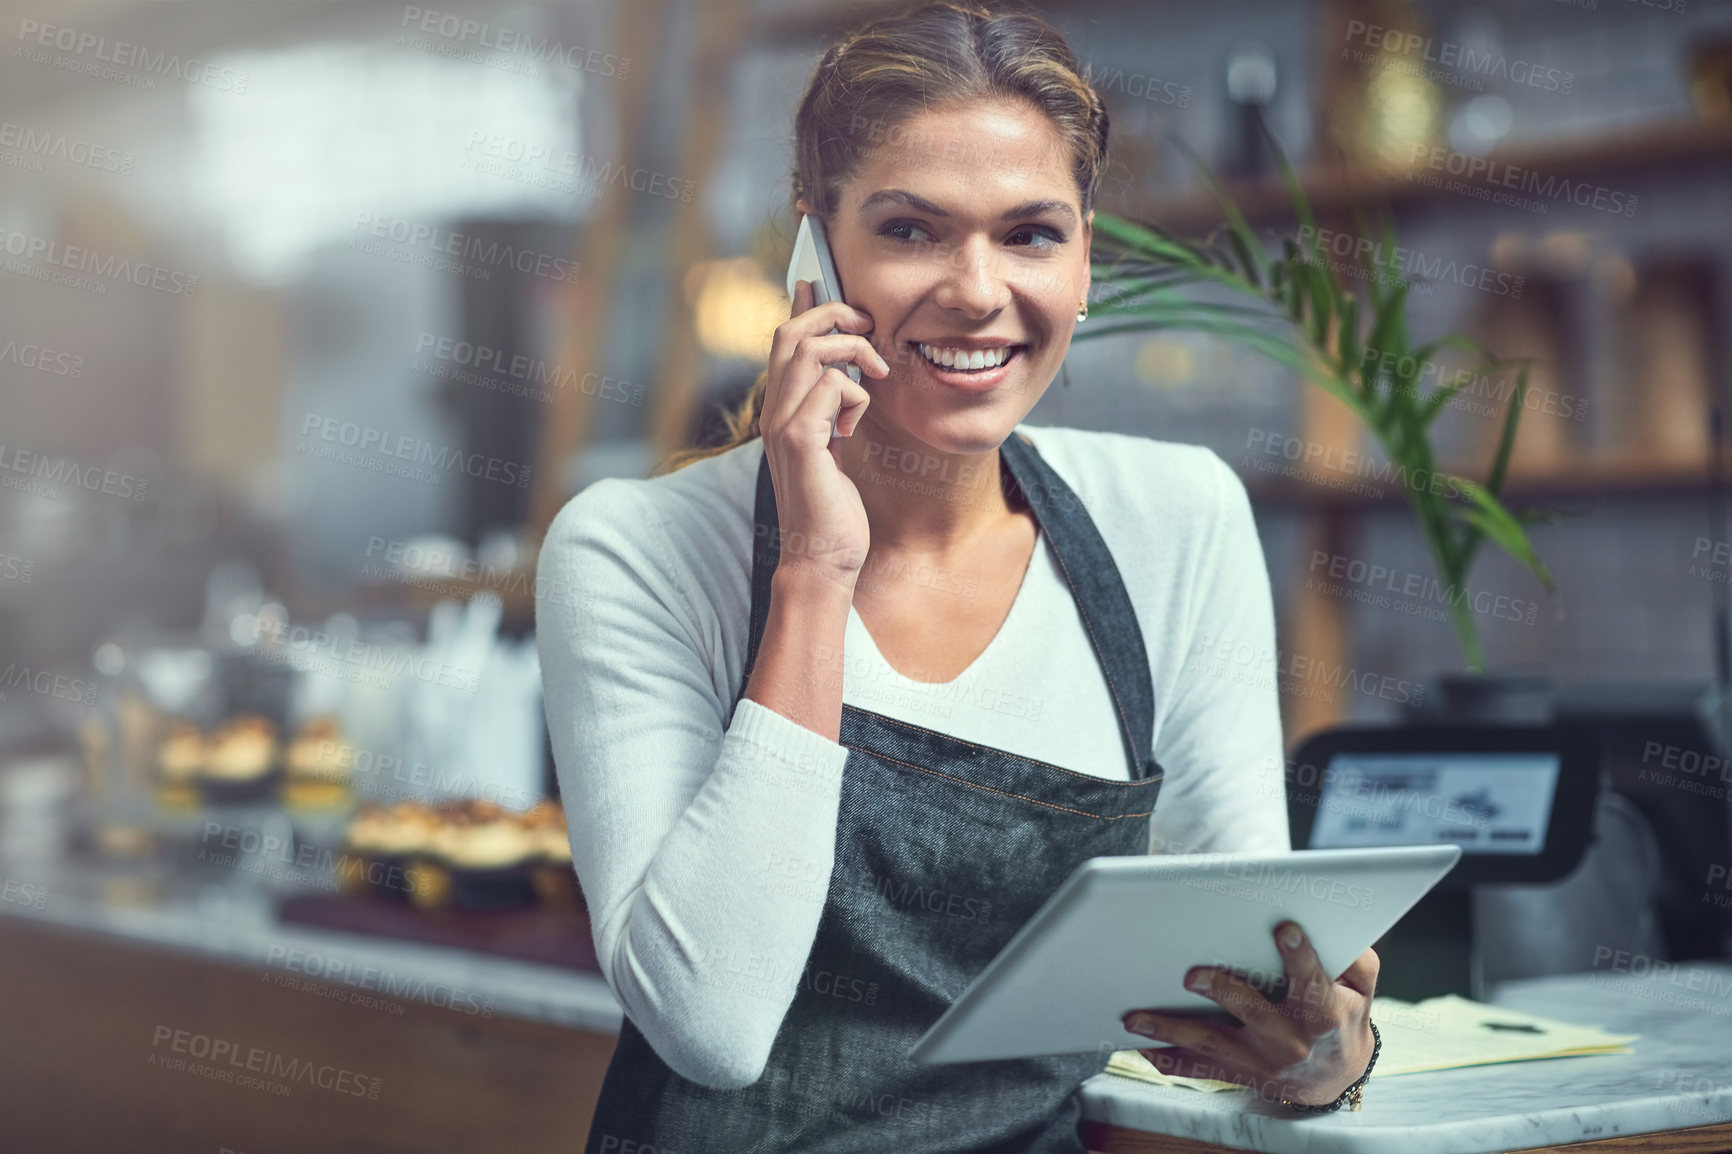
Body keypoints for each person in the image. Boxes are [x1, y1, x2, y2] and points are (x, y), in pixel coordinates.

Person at [536, 3, 1379, 1149]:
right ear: (814, 250)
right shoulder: (631, 550)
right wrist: (814, 568)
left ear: (1086, 254)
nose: (978, 290)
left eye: (1030, 233)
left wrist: (1327, 1053)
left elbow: (1240, 969)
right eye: (912, 230)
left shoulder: (1174, 518)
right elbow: (711, 1023)